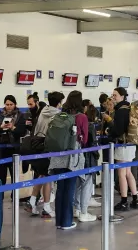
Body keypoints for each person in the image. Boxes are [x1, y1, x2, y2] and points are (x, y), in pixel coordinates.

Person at [50, 90, 87, 230]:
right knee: (70, 188)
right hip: (72, 156)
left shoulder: (60, 114)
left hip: (58, 155)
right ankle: (67, 221)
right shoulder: (81, 117)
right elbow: (85, 139)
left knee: (60, 188)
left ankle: (59, 221)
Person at [27, 92, 59, 217]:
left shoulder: (43, 111)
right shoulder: (56, 114)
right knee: (47, 176)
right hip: (46, 147)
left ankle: (32, 201)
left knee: (41, 174)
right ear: (59, 103)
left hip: (36, 145)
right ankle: (46, 207)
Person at [109, 87, 138, 211]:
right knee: (128, 172)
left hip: (123, 144)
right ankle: (135, 199)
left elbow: (118, 130)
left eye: (115, 95)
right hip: (131, 144)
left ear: (122, 96)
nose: (113, 97)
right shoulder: (129, 108)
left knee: (121, 174)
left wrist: (109, 131)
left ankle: (123, 201)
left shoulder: (121, 111)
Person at [74, 101, 101, 222]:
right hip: (88, 158)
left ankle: (77, 209)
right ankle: (84, 212)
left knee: (78, 184)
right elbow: (93, 144)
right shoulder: (90, 126)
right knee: (87, 184)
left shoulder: (75, 120)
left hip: (77, 156)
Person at [0, 95, 26, 185]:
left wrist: (13, 128)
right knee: (0, 175)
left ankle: (14, 196)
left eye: (11, 104)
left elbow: (22, 131)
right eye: (7, 104)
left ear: (15, 104)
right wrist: (0, 127)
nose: (9, 106)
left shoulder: (20, 116)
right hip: (0, 149)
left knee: (14, 176)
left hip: (14, 149)